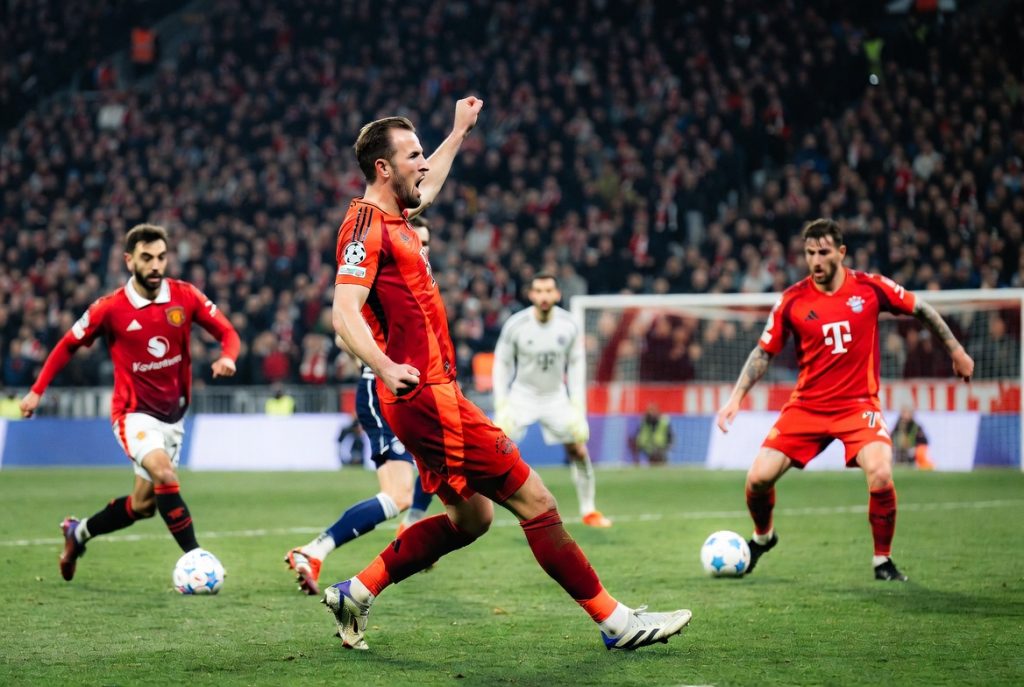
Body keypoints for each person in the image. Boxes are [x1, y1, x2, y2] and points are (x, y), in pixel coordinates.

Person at [321, 96, 690, 651]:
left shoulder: (396, 217)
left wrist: (458, 132)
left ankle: (357, 591)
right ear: (383, 167)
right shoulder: (365, 227)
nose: (424, 163)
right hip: (426, 396)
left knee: (472, 519)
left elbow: (429, 186)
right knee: (537, 502)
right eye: (413, 155)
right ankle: (617, 623)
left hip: (425, 396)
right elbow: (343, 312)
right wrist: (385, 364)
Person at [715, 218, 974, 582]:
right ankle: (763, 537)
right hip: (807, 407)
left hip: (858, 406)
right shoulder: (791, 300)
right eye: (809, 253)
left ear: (841, 252)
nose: (815, 260)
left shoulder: (870, 287)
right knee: (757, 479)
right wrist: (735, 398)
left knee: (881, 473)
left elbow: (921, 309)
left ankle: (882, 561)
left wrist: (956, 351)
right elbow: (763, 352)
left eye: (823, 252)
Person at [20, 223, 240, 582]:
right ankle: (197, 560)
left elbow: (228, 332)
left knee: (143, 506)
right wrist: (37, 390)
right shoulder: (110, 308)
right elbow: (68, 344)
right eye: (147, 257)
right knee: (164, 474)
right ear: (129, 260)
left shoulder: (185, 296)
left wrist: (228, 356)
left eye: (161, 257)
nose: (155, 265)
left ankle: (78, 533)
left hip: (173, 418)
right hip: (133, 414)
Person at [284, 217, 436, 596]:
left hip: (413, 389)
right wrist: (375, 363)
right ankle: (315, 550)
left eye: (427, 243)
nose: (423, 248)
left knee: (441, 459)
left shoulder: (421, 284)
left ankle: (412, 527)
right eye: (418, 240)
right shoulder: (384, 280)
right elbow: (342, 331)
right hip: (382, 391)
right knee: (399, 494)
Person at [492, 273, 611, 527]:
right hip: (522, 396)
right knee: (494, 450)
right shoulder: (516, 325)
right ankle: (481, 510)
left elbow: (577, 365)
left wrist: (577, 407)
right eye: (539, 291)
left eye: (548, 291)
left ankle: (589, 510)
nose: (544, 296)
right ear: (531, 295)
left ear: (557, 294)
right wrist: (502, 403)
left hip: (556, 398)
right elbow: (502, 363)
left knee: (578, 449)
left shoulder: (569, 325)